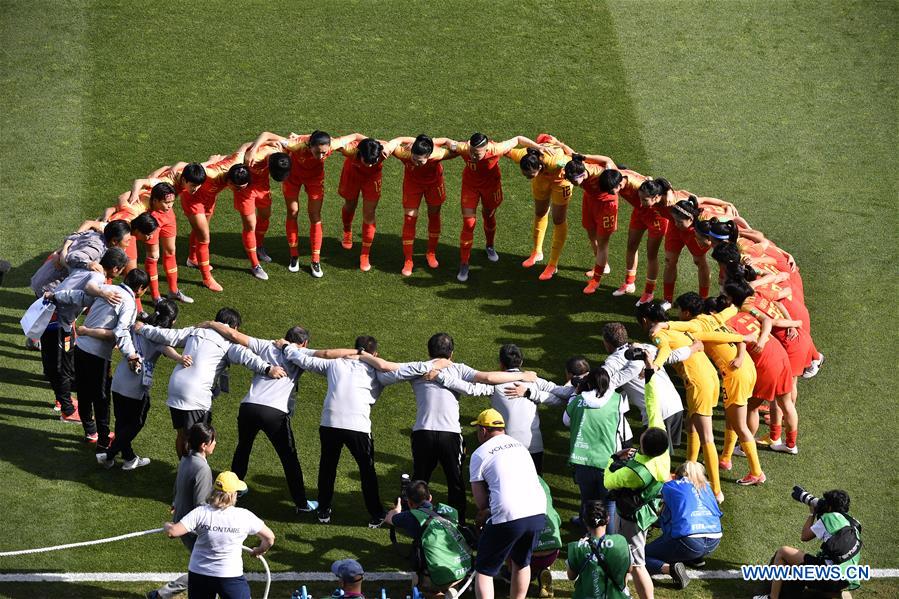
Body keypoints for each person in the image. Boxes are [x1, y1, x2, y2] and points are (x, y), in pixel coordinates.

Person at [360, 333, 535, 524]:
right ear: (451, 353)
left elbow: (385, 372)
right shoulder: (458, 369)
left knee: (420, 479)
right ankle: (458, 524)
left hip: (423, 433)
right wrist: (522, 375)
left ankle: (412, 520)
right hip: (450, 436)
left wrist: (361, 355)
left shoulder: (419, 368)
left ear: (429, 351)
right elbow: (489, 377)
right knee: (455, 481)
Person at [199, 321, 354, 514]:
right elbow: (329, 354)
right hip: (273, 413)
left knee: (243, 449)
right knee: (289, 458)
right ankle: (302, 504)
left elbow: (235, 335)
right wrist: (359, 352)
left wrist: (210, 323)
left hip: (248, 407)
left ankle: (231, 494)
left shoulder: (266, 344)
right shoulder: (299, 352)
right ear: (304, 343)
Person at [134, 307, 287, 458]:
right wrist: (268, 369)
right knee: (200, 441)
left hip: (175, 387)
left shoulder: (196, 331)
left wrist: (143, 328)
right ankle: (192, 472)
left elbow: (167, 335)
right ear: (234, 327)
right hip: (195, 394)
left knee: (182, 434)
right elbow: (247, 357)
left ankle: (183, 469)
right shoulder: (228, 342)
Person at [282, 336, 394, 527]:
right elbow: (401, 371)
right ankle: (376, 514)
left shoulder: (335, 363)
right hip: (358, 426)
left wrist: (286, 347)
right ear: (375, 354)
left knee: (327, 467)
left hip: (330, 423)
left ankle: (323, 510)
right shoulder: (378, 370)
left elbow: (304, 360)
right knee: (367, 471)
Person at [659, 291, 765, 486]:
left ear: (687, 312)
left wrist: (665, 325)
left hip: (735, 374)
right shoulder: (715, 317)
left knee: (739, 425)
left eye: (680, 311)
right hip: (747, 368)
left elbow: (686, 328)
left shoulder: (695, 326)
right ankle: (723, 459)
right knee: (728, 418)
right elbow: (733, 313)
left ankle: (756, 472)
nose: (679, 315)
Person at [47, 268, 150, 448]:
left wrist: (55, 296)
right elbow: (121, 332)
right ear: (140, 288)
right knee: (101, 398)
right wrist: (131, 354)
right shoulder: (129, 302)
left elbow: (79, 296)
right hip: (98, 356)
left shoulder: (106, 289)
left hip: (80, 349)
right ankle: (103, 440)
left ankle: (90, 431)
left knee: (84, 393)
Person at [432, 342, 571, 474]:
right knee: (535, 484)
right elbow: (563, 396)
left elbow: (468, 388)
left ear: (501, 363)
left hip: (505, 447)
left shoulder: (495, 386)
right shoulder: (535, 381)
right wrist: (578, 382)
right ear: (521, 362)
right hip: (533, 446)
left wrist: (439, 376)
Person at [637, 300, 725, 501]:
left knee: (707, 437)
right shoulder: (676, 327)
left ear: (645, 320)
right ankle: (689, 471)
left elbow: (665, 351)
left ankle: (716, 491)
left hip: (698, 383)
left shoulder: (657, 333)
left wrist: (655, 366)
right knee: (691, 425)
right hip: (710, 378)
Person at [248, 130, 361, 276]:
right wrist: (253, 149)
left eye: (324, 153)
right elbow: (266, 134)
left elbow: (355, 135)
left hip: (315, 180)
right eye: (317, 152)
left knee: (315, 215)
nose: (321, 156)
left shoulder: (332, 144)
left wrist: (382, 145)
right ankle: (294, 256)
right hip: (292, 179)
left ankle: (315, 260)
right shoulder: (296, 144)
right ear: (310, 146)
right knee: (293, 212)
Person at [38, 247, 129, 423]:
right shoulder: (99, 277)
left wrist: (82, 258)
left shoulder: (84, 267)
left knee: (55, 363)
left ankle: (63, 400)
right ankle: (67, 410)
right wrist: (102, 292)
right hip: (59, 322)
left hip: (48, 317)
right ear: (116, 269)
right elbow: (85, 291)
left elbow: (68, 257)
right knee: (63, 367)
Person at [98, 299, 191, 469]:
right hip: (135, 385)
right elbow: (165, 348)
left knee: (121, 421)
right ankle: (110, 454)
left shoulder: (138, 325)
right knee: (136, 422)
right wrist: (179, 358)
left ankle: (128, 458)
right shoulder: (158, 334)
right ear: (173, 321)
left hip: (119, 379)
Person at [443, 133, 545, 282]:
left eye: (477, 154)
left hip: (491, 187)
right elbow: (446, 141)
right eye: (472, 152)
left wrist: (538, 147)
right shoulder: (464, 148)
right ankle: (464, 263)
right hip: (470, 187)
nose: (473, 156)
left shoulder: (496, 149)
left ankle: (489, 246)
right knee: (469, 223)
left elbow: (518, 139)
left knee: (489, 216)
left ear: (486, 149)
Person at [469, 408, 546, 599]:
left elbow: (481, 502)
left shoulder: (479, 454)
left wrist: (487, 511)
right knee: (522, 562)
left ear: (483, 431)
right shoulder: (520, 446)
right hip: (538, 511)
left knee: (484, 570)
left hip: (508, 515)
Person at [164, 471, 275, 599]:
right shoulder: (244, 516)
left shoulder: (200, 512)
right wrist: (259, 550)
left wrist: (167, 525)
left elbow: (173, 532)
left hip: (199, 574)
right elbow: (269, 538)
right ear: (233, 495)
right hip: (230, 576)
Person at [147, 422, 217, 599]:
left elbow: (178, 486)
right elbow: (201, 506)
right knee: (208, 570)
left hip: (181, 519)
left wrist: (175, 503)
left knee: (206, 569)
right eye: (213, 441)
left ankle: (161, 595)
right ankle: (161, 595)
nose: (215, 443)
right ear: (204, 445)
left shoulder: (186, 458)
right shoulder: (203, 469)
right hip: (191, 528)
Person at [754, 489, 862, 599]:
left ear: (830, 507)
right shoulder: (854, 523)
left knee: (783, 552)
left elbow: (804, 536)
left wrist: (812, 513)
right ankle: (838, 594)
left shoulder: (829, 518)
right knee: (813, 575)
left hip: (829, 577)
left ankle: (772, 597)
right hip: (847, 579)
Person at [604, 427, 671, 599]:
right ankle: (622, 590)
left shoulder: (635, 473)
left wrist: (613, 458)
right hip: (643, 512)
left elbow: (608, 482)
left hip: (631, 520)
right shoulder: (662, 456)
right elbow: (655, 414)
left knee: (638, 565)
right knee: (624, 557)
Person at [600, 323, 686, 452]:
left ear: (606, 342)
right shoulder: (647, 348)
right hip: (675, 405)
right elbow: (671, 356)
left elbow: (602, 379)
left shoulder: (614, 360)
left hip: (657, 413)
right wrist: (693, 348)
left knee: (652, 456)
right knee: (662, 455)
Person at [385, 480, 471, 597]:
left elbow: (389, 518)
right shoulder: (449, 511)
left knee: (418, 580)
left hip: (438, 577)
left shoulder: (412, 517)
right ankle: (452, 589)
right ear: (430, 497)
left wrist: (397, 509)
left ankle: (437, 593)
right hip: (462, 568)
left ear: (409, 503)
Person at [645, 461, 723, 589]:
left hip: (689, 541)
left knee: (639, 556)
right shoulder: (707, 488)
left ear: (676, 475)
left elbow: (664, 516)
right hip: (714, 540)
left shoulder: (672, 486)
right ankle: (697, 558)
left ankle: (670, 569)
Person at [507, 135, 574, 280]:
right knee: (540, 212)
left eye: (529, 175)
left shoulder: (556, 161)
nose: (527, 177)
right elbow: (505, 150)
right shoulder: (524, 155)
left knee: (558, 219)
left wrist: (561, 145)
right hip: (541, 181)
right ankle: (537, 252)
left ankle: (553, 264)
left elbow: (575, 159)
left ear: (540, 166)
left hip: (561, 182)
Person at [391, 134, 456, 276]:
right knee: (409, 219)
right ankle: (408, 260)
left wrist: (449, 142)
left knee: (434, 215)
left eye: (420, 161)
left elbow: (460, 150)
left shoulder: (438, 154)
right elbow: (385, 146)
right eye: (414, 158)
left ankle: (431, 253)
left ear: (429, 155)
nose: (416, 162)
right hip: (412, 185)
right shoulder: (404, 154)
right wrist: (396, 141)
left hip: (434, 185)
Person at [335, 136, 402, 272]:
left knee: (369, 213)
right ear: (360, 153)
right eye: (366, 162)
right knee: (350, 205)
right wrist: (299, 139)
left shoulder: (384, 150)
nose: (370, 165)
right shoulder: (350, 150)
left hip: (372, 179)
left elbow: (398, 141)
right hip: (351, 175)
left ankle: (365, 254)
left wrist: (418, 145)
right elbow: (328, 142)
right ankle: (347, 231)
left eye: (374, 161)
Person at [564, 160, 623, 294]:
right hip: (590, 200)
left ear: (582, 175)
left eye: (573, 180)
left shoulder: (598, 173)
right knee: (592, 236)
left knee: (602, 243)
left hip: (607, 205)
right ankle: (603, 265)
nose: (572, 183)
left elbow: (607, 160)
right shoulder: (577, 168)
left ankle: (596, 280)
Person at [566, 500, 631, 599]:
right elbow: (629, 568)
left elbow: (571, 576)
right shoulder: (621, 541)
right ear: (608, 519)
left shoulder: (577, 547)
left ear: (584, 521)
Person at [142, 182, 193, 303]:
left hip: (168, 219)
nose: (170, 205)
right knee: (153, 257)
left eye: (172, 202)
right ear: (155, 201)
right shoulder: (144, 203)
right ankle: (155, 297)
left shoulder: (168, 209)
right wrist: (134, 194)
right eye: (166, 202)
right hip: (152, 222)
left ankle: (173, 291)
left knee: (171, 251)